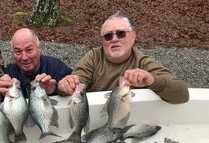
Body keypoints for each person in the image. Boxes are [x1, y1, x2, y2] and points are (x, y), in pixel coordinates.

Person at [58, 12, 189, 104]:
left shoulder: (142, 62)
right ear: (103, 41)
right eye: (108, 36)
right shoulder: (93, 57)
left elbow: (183, 95)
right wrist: (66, 85)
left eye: (121, 34)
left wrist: (152, 80)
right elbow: (72, 87)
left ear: (133, 36)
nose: (114, 39)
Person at [0, 28, 72, 98]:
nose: (24, 58)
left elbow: (75, 93)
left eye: (29, 50)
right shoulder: (9, 74)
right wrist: (1, 94)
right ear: (13, 53)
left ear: (39, 48)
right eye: (18, 51)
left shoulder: (56, 68)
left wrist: (55, 89)